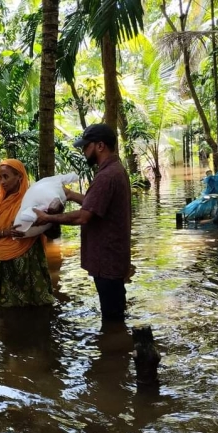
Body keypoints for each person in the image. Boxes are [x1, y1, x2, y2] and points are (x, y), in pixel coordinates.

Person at [32, 123, 131, 321]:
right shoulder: (115, 170)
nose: (84, 151)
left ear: (100, 146)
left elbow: (83, 216)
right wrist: (69, 195)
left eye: (87, 146)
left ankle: (115, 349)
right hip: (113, 259)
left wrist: (47, 218)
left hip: (107, 261)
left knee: (112, 319)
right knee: (115, 314)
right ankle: (118, 347)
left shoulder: (106, 176)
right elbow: (96, 204)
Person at [0, 159, 55, 308]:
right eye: (0, 177)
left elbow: (47, 221)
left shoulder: (31, 199)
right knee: (8, 304)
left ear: (19, 177)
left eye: (6, 176)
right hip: (6, 258)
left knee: (37, 303)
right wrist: (6, 232)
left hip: (30, 255)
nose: (2, 181)